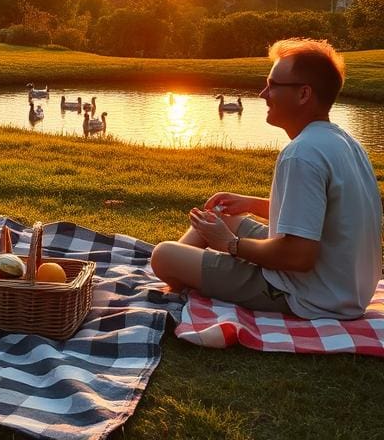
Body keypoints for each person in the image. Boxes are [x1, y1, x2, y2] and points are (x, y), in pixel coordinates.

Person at [151, 38, 382, 320]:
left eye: (273, 85)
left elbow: (298, 256)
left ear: (303, 94)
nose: (263, 93)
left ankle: (181, 268)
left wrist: (230, 245)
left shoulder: (302, 153)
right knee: (219, 216)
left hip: (308, 294)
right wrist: (252, 204)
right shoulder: (344, 143)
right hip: (345, 288)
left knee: (162, 256)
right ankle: (188, 266)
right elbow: (322, 216)